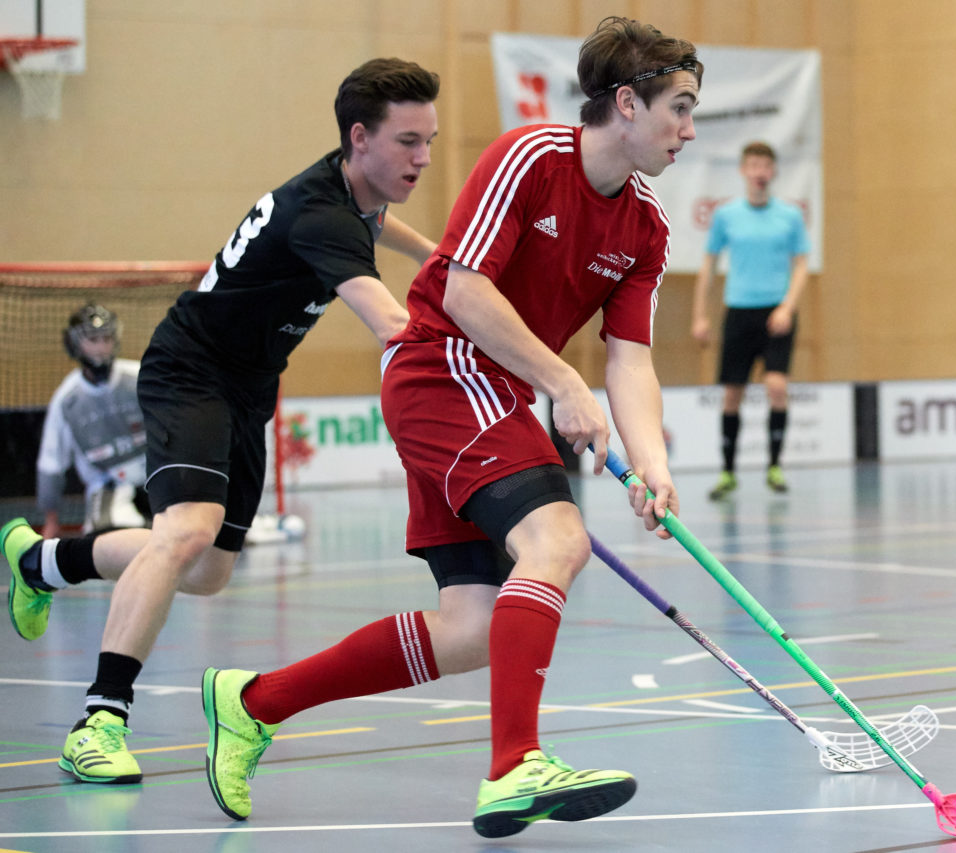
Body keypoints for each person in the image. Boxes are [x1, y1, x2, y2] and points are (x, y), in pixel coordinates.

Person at [200, 16, 700, 838]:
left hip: (491, 390)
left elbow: (631, 359)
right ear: (626, 103)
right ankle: (515, 766)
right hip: (443, 367)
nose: (688, 129)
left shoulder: (647, 225)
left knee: (470, 628)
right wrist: (560, 381)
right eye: (679, 107)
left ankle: (254, 702)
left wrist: (653, 465)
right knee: (557, 540)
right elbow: (465, 290)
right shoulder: (529, 157)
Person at [0, 57, 441, 785]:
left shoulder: (352, 190)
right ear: (360, 138)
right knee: (186, 531)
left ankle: (41, 563)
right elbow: (392, 325)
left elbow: (379, 222)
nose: (422, 158)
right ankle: (99, 721)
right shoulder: (323, 216)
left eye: (428, 141)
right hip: (191, 369)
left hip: (248, 386)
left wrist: (439, 256)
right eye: (408, 142)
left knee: (205, 570)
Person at [690, 141, 811, 499]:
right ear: (744, 171)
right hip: (739, 312)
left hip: (777, 312)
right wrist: (700, 316)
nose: (760, 172)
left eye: (765, 166)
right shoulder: (727, 215)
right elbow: (709, 265)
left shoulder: (789, 216)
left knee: (777, 386)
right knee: (732, 395)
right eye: (753, 165)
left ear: (773, 172)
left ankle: (774, 466)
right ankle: (728, 472)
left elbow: (802, 265)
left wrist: (788, 307)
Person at [36, 304, 150, 539]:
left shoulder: (140, 378)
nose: (100, 348)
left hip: (156, 476)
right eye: (93, 340)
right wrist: (51, 520)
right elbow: (51, 463)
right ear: (75, 343)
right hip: (109, 485)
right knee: (111, 538)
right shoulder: (67, 401)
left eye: (106, 339)